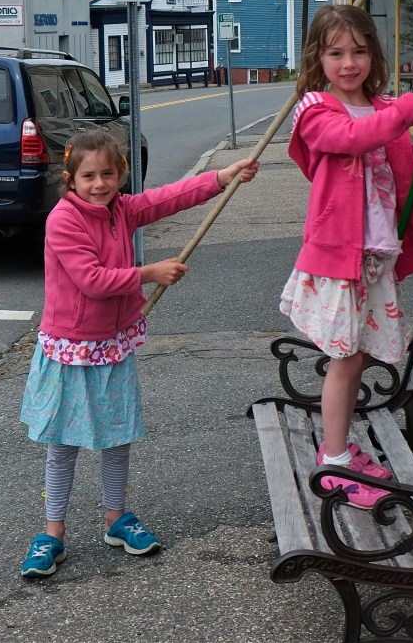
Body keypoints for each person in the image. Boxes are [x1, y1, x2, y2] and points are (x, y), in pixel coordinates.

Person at [20, 129, 258, 577]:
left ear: (121, 175)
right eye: (88, 175)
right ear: (70, 180)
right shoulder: (63, 220)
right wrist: (150, 273)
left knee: (117, 438)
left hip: (112, 345)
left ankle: (117, 520)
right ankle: (52, 534)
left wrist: (222, 177)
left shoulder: (121, 210)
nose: (99, 183)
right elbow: (91, 279)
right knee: (62, 444)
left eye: (108, 174)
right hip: (70, 349)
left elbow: (168, 198)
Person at [280, 4, 413, 509]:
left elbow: (409, 164)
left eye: (359, 51)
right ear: (318, 58)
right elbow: (350, 140)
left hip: (375, 256)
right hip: (339, 258)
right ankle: (333, 462)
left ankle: (338, 447)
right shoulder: (315, 109)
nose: (348, 62)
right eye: (336, 52)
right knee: (343, 357)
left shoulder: (382, 108)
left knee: (356, 354)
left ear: (372, 54)